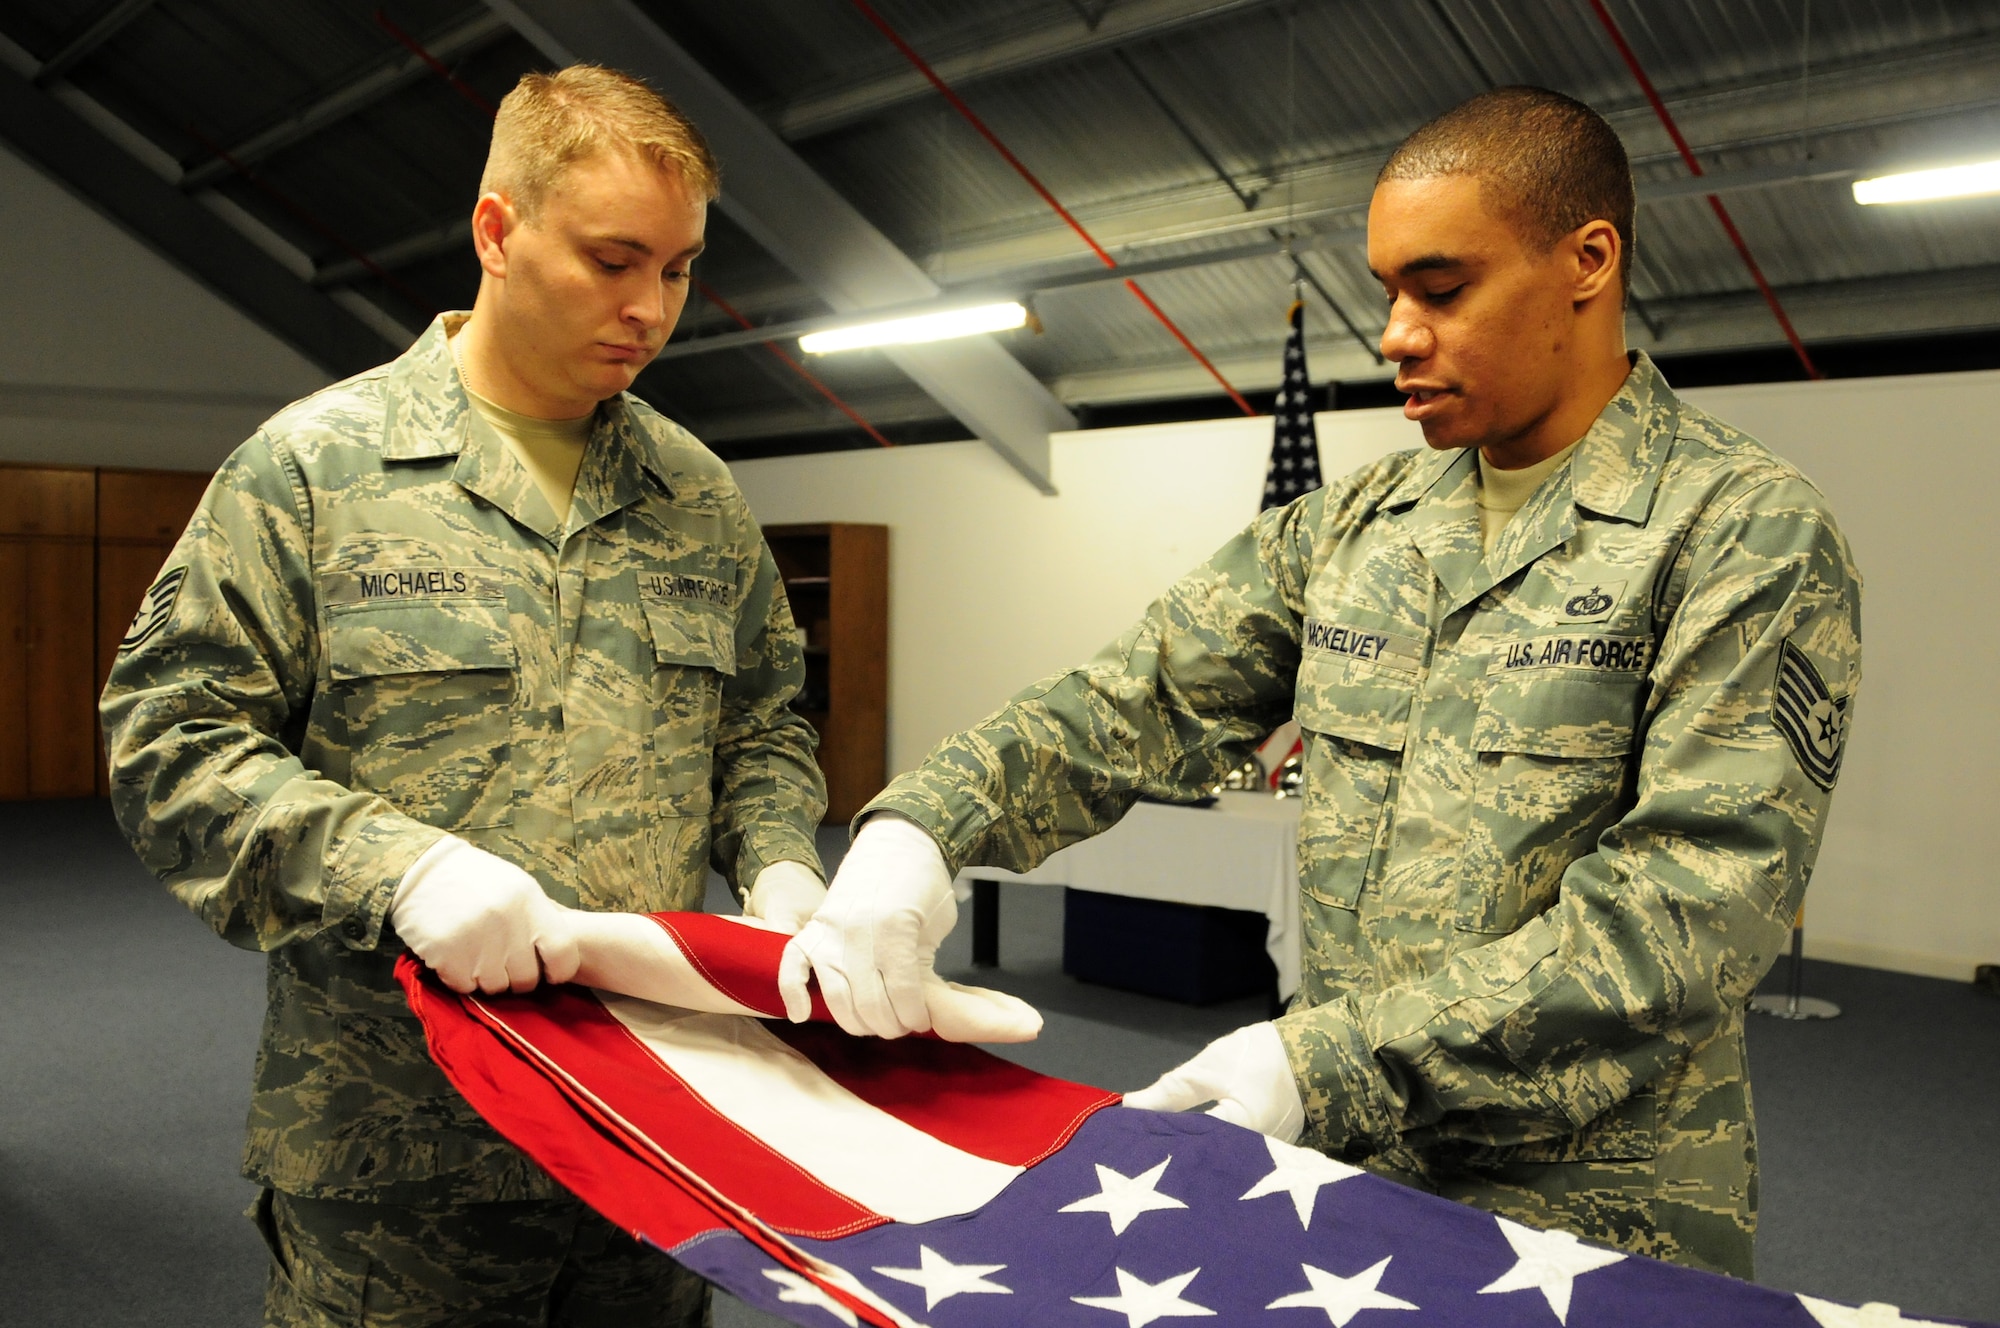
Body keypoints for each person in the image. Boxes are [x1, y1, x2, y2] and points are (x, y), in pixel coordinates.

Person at [779, 86, 1862, 1280]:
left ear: (1586, 261)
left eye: (1440, 288)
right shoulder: (1354, 528)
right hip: (1348, 1175)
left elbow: (1689, 908)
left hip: (1593, 1209)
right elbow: (1131, 698)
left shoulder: (1737, 529)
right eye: (1387, 292)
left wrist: (1322, 1062)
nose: (1395, 332)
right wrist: (922, 830)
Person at [100, 65, 830, 1327]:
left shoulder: (694, 493)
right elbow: (169, 739)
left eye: (677, 268)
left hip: (651, 1126)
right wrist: (401, 870)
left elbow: (760, 721)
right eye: (612, 260)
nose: (650, 309)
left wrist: (778, 867)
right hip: (399, 1147)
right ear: (497, 231)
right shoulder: (315, 468)